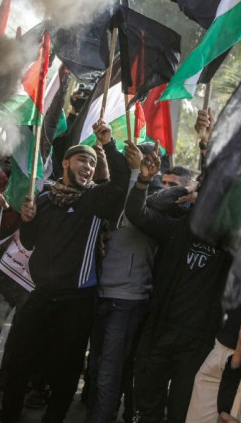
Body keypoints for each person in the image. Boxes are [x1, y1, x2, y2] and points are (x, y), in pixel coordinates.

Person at [0, 119, 129, 423]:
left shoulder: (96, 199)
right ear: (66, 163)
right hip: (40, 295)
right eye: (82, 159)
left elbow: (120, 184)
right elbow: (29, 242)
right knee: (19, 362)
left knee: (65, 372)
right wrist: (27, 220)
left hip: (76, 302)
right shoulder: (45, 199)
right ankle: (9, 415)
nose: (88, 166)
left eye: (92, 163)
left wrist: (108, 144)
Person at [125, 145, 232, 423]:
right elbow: (139, 213)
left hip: (198, 342)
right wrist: (146, 181)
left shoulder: (231, 243)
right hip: (160, 332)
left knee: (181, 412)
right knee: (147, 407)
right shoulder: (177, 227)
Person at [85, 141, 155, 423]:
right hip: (101, 293)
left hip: (127, 300)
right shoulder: (116, 192)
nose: (134, 159)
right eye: (133, 155)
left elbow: (138, 214)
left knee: (108, 372)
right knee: (95, 368)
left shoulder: (158, 197)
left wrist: (141, 175)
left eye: (141, 157)